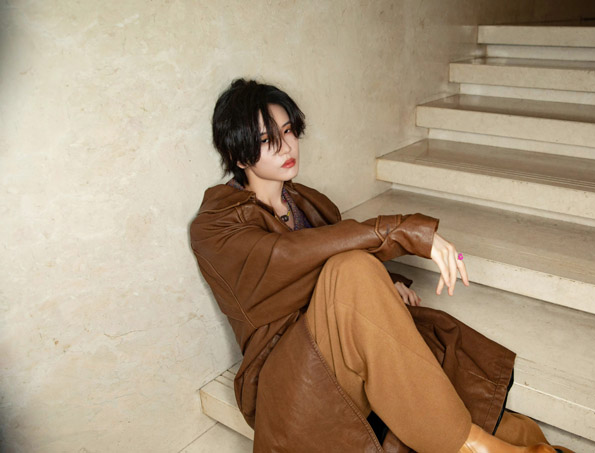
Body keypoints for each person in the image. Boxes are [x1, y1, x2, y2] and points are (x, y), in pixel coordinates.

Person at [190, 79, 572, 453]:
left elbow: (332, 261)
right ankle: (473, 447)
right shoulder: (215, 227)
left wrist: (382, 282)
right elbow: (290, 258)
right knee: (353, 271)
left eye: (288, 131)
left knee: (517, 429)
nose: (286, 146)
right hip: (289, 376)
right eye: (266, 140)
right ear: (239, 156)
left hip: (342, 350)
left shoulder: (308, 201)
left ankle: (496, 442)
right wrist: (401, 231)